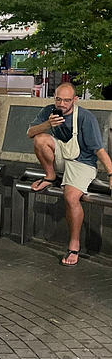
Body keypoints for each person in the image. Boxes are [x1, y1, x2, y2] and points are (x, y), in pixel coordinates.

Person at [27, 82, 112, 266]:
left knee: (71, 197)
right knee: (40, 140)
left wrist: (111, 175)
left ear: (74, 99)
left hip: (83, 162)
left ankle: (74, 245)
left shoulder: (85, 117)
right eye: (59, 99)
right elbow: (30, 133)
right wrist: (47, 124)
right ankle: (50, 176)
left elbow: (99, 150)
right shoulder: (49, 111)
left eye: (66, 100)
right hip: (63, 157)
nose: (62, 104)